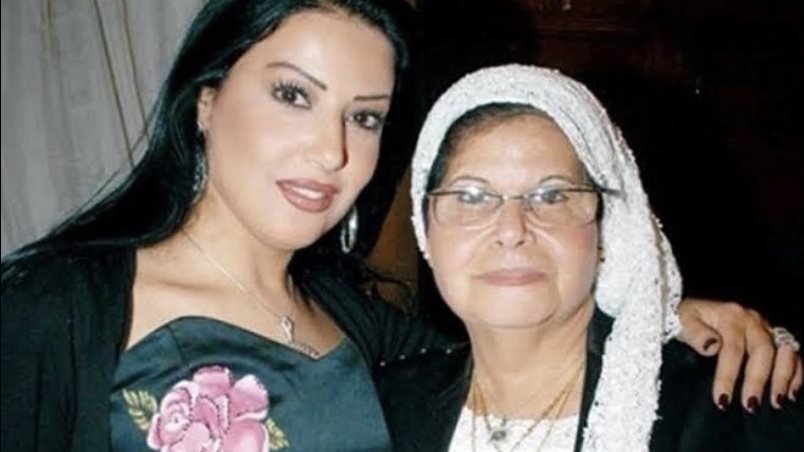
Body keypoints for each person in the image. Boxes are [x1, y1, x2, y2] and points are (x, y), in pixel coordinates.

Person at [0, 2, 798, 451]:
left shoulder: (362, 328)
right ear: (206, 100)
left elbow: (516, 343)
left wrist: (659, 312)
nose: (332, 150)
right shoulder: (58, 309)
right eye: (293, 95)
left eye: (366, 116)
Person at [377, 64, 803, 451]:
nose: (511, 230)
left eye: (553, 195)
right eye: (472, 196)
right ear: (426, 227)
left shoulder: (728, 412)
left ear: (607, 226)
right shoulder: (382, 406)